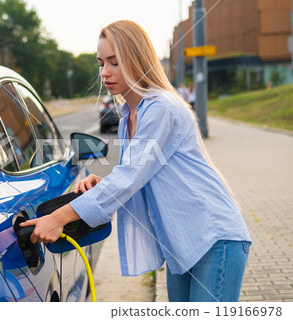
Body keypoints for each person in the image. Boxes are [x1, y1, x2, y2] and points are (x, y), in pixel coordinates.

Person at [20, 20, 251, 302]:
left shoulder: (160, 108)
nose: (105, 72)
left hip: (214, 238)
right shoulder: (128, 117)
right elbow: (138, 178)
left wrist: (59, 217)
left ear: (138, 61)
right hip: (182, 244)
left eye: (114, 62)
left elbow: (128, 179)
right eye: (100, 63)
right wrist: (105, 184)